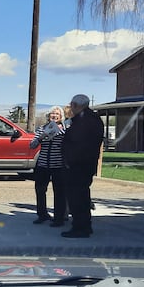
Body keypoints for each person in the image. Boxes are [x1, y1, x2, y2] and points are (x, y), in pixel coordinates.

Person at [61, 94, 104, 238]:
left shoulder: (84, 121)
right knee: (83, 196)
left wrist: (69, 161)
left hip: (78, 165)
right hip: (86, 164)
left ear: (75, 105)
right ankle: (85, 225)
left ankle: (80, 227)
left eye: (72, 105)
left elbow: (78, 144)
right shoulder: (93, 118)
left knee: (77, 197)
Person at [29, 106, 67, 226]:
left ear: (61, 116)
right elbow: (32, 145)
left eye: (57, 114)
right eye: (52, 114)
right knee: (40, 190)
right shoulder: (42, 128)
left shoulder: (65, 129)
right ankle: (42, 214)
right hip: (43, 164)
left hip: (58, 165)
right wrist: (41, 137)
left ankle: (59, 218)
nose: (54, 116)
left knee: (59, 192)